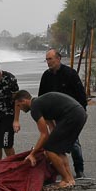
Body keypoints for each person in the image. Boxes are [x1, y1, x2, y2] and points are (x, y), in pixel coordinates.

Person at [14, 90, 87, 189]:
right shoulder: (41, 103)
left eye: (19, 105)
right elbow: (52, 127)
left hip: (72, 115)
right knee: (57, 149)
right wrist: (49, 144)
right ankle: (70, 179)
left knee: (50, 150)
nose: (20, 108)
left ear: (24, 101)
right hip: (79, 114)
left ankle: (66, 180)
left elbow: (44, 134)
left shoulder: (35, 108)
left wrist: (32, 154)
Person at [39, 49, 88, 178]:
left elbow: (81, 94)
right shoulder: (46, 76)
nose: (48, 62)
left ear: (58, 58)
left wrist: (82, 111)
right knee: (54, 143)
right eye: (47, 59)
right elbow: (41, 97)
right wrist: (46, 118)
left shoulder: (70, 74)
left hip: (71, 114)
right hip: (54, 115)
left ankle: (79, 169)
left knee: (74, 142)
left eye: (50, 59)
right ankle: (58, 169)